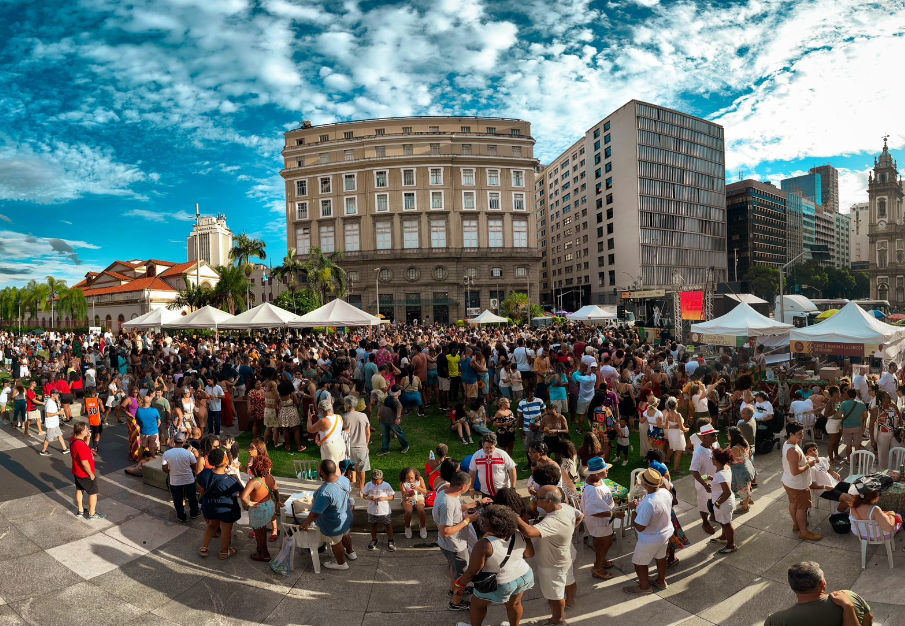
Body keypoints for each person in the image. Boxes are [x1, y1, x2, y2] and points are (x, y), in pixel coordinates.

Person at [452, 504, 535, 626]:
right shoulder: (519, 533)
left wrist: (459, 584)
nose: (482, 525)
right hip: (524, 575)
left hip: (503, 582)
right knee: (515, 604)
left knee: (477, 605)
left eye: (485, 524)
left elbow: (473, 571)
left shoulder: (485, 544)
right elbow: (529, 554)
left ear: (496, 527)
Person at [516, 485, 582, 626]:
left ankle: (558, 619)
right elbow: (580, 515)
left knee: (555, 595)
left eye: (538, 497)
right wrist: (570, 531)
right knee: (568, 579)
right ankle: (571, 601)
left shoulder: (553, 521)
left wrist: (515, 517)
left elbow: (529, 532)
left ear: (549, 501)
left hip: (552, 564)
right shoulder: (566, 507)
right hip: (565, 556)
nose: (535, 499)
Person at [764, 561, 872, 626]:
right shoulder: (849, 597)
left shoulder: (776, 621)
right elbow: (868, 618)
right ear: (822, 583)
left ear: (792, 586)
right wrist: (848, 606)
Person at [300, 459, 357, 570]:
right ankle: (351, 553)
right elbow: (348, 494)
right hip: (346, 517)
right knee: (345, 534)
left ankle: (341, 564)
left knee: (335, 542)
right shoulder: (344, 479)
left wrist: (306, 523)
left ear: (322, 472)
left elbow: (316, 513)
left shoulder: (324, 493)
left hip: (333, 523)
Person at [623, 468, 673, 594]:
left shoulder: (648, 503)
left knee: (639, 562)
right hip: (665, 533)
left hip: (650, 538)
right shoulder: (665, 492)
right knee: (661, 557)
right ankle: (661, 581)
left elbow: (640, 527)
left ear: (645, 485)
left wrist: (633, 510)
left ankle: (644, 587)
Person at [434, 470, 478, 612]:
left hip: (448, 545)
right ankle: (456, 602)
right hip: (454, 545)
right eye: (469, 486)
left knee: (454, 569)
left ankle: (453, 590)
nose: (469, 488)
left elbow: (457, 508)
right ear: (463, 486)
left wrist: (476, 503)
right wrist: (467, 521)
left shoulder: (445, 493)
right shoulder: (448, 503)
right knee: (461, 575)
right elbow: (445, 531)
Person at [197, 447, 242, 559]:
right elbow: (240, 494)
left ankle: (204, 547)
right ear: (224, 461)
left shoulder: (205, 473)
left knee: (212, 525)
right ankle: (224, 552)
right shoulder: (229, 480)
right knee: (226, 529)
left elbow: (200, 482)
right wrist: (236, 478)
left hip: (209, 505)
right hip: (225, 508)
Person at [782, 421, 821, 541]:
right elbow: (795, 471)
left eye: (802, 433)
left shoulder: (788, 443)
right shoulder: (793, 450)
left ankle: (796, 524)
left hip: (789, 482)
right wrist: (809, 464)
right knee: (802, 508)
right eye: (799, 434)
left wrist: (805, 459)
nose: (802, 436)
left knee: (794, 504)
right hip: (798, 484)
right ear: (791, 434)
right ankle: (803, 532)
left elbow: (795, 462)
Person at [581, 456, 617, 580]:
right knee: (606, 542)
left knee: (600, 542)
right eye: (604, 469)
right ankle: (598, 568)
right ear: (596, 473)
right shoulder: (593, 490)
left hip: (603, 520)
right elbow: (592, 511)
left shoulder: (597, 479)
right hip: (599, 521)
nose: (607, 470)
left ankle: (601, 560)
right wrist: (613, 514)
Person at [240, 454, 278, 562]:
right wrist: (278, 501)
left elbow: (243, 497)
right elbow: (276, 490)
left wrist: (250, 503)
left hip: (259, 509)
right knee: (263, 529)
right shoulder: (270, 477)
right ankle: (260, 549)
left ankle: (265, 554)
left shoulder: (254, 482)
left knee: (259, 533)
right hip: (269, 505)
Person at [70, 422, 105, 520]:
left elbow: (83, 445)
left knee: (79, 489)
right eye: (86, 429)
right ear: (81, 431)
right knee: (93, 492)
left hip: (77, 471)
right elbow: (84, 463)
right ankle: (92, 514)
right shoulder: (80, 445)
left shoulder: (73, 439)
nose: (88, 430)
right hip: (84, 474)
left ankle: (80, 510)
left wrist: (88, 437)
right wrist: (91, 474)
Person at [162, 431, 199, 523]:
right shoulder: (189, 453)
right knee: (192, 498)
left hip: (175, 481)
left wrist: (172, 472)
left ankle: (181, 516)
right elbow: (194, 466)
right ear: (184, 442)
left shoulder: (166, 453)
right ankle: (194, 513)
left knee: (177, 499)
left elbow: (164, 468)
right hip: (188, 479)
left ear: (174, 441)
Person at [689, 423, 719, 535]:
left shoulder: (714, 445)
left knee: (714, 500)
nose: (715, 436)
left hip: (715, 481)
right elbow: (694, 470)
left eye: (715, 434)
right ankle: (705, 522)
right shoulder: (699, 451)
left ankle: (713, 515)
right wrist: (704, 484)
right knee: (704, 504)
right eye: (712, 435)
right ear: (703, 437)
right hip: (704, 484)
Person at [469, 433, 518, 499]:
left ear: (495, 445)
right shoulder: (476, 455)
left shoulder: (502, 454)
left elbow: (512, 469)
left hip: (503, 491)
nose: (489, 450)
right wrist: (471, 488)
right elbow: (472, 473)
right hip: (486, 493)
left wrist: (513, 488)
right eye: (486, 447)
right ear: (483, 445)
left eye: (491, 448)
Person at [710, 447, 737, 554]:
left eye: (712, 458)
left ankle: (731, 545)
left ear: (717, 461)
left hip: (723, 503)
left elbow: (727, 492)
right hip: (723, 502)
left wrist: (717, 503)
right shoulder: (725, 467)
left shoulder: (721, 474)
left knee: (727, 524)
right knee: (723, 521)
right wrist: (712, 479)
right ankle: (723, 537)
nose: (711, 459)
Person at [342, 395, 371, 494]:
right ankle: (362, 488)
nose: (344, 405)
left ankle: (359, 485)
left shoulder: (344, 417)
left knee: (355, 467)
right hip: (361, 446)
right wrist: (366, 445)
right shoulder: (363, 416)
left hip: (349, 447)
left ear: (348, 405)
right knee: (361, 469)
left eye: (344, 404)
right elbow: (368, 433)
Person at [363, 468, 396, 551]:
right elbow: (364, 495)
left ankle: (390, 540)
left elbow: (392, 497)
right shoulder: (368, 485)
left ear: (382, 479)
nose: (375, 484)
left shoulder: (386, 485)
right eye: (374, 482)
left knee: (388, 525)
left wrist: (384, 498)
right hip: (372, 510)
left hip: (384, 510)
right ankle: (374, 539)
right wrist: (369, 498)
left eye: (377, 482)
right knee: (373, 525)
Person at [308, 398, 345, 464]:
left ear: (322, 410)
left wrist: (309, 418)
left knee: (329, 468)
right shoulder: (339, 417)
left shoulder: (323, 421)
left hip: (330, 446)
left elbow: (310, 429)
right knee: (338, 466)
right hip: (340, 443)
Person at [838, 388, 868, 461]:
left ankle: (849, 460)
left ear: (848, 395)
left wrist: (845, 417)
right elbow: (865, 415)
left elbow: (839, 416)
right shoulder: (861, 404)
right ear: (855, 395)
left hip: (847, 427)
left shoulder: (844, 403)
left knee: (848, 445)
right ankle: (858, 461)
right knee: (857, 445)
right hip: (857, 426)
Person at [399, 467, 428, 539]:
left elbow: (425, 491)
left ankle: (423, 526)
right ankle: (407, 527)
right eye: (407, 478)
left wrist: (417, 488)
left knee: (421, 510)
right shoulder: (402, 483)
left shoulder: (420, 479)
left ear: (415, 475)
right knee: (409, 510)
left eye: (411, 478)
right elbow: (404, 494)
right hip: (408, 498)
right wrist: (408, 495)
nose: (410, 480)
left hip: (418, 497)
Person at [378, 389, 410, 455]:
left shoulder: (396, 401)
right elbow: (382, 407)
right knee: (385, 434)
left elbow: (399, 408)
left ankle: (405, 446)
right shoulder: (389, 398)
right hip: (385, 419)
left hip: (392, 420)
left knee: (399, 433)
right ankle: (385, 449)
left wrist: (398, 419)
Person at [39, 389, 69, 457]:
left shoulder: (54, 401)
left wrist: (58, 401)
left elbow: (59, 405)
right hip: (51, 424)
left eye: (58, 394)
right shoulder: (50, 403)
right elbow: (48, 414)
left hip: (55, 423)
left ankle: (65, 449)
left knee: (59, 435)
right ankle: (43, 451)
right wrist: (58, 413)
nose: (58, 395)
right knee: (48, 438)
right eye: (56, 394)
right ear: (52, 395)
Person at [83, 388, 103, 454]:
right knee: (98, 434)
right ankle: (94, 447)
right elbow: (103, 410)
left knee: (93, 434)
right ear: (95, 393)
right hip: (97, 420)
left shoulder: (86, 400)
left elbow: (84, 411)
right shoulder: (98, 400)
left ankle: (95, 447)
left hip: (91, 420)